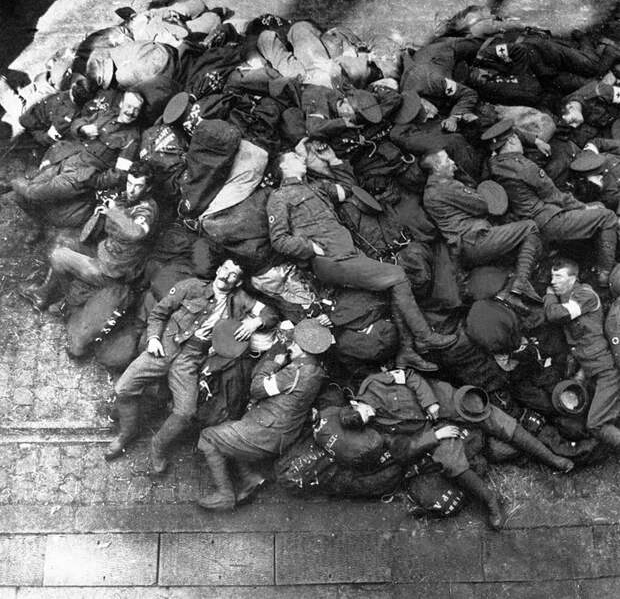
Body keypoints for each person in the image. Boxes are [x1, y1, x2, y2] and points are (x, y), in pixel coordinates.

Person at [266, 147, 457, 371]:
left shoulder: (316, 187)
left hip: (350, 253)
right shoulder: (279, 198)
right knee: (397, 275)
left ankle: (407, 351)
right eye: (294, 157)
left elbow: (347, 189)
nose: (300, 158)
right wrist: (310, 247)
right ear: (283, 166)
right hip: (330, 261)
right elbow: (279, 239)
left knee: (392, 288)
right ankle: (424, 336)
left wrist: (334, 161)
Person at [105, 258, 278, 472]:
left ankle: (158, 445)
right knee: (123, 387)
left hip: (191, 359)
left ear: (238, 282)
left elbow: (271, 314)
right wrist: (153, 339)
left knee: (186, 412)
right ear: (218, 269)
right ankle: (126, 434)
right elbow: (159, 313)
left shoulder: (241, 299)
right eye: (224, 269)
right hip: (165, 347)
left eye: (233, 274)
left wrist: (255, 322)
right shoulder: (191, 286)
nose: (225, 276)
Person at [344, 371, 573, 529]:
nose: (370, 415)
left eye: (366, 412)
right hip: (430, 429)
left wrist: (429, 402)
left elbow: (411, 376)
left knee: (486, 414)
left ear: (355, 403)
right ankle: (491, 502)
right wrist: (435, 436)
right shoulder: (375, 429)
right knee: (450, 461)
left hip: (438, 398)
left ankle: (552, 458)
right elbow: (403, 450)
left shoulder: (374, 383)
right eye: (366, 419)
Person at [196, 318, 331, 510]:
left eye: (294, 344)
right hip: (283, 431)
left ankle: (224, 495)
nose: (291, 346)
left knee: (208, 437)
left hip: (267, 434)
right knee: (228, 429)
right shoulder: (317, 368)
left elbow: (257, 388)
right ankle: (251, 478)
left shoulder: (295, 372)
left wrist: (273, 363)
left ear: (304, 349)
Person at [486, 119, 617, 285]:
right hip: (549, 221)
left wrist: (536, 141)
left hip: (528, 221)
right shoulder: (525, 167)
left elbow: (515, 133)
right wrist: (583, 207)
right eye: (517, 138)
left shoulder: (494, 164)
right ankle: (605, 275)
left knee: (595, 212)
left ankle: (587, 263)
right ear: (512, 140)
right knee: (607, 216)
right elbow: (554, 196)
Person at [19, 161, 160, 313]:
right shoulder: (126, 199)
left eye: (138, 186)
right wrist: (103, 211)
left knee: (57, 256)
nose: (131, 190)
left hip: (114, 271)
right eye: (129, 183)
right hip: (107, 253)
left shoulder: (147, 210)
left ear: (148, 188)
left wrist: (114, 212)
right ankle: (43, 293)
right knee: (63, 238)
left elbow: (137, 232)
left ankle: (68, 301)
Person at [10, 90, 145, 240]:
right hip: (66, 157)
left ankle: (10, 183)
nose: (131, 112)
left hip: (81, 174)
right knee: (23, 195)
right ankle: (37, 224)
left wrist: (94, 180)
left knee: (33, 192)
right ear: (121, 104)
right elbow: (77, 122)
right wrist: (82, 129)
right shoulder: (105, 115)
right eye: (129, 106)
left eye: (136, 109)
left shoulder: (132, 138)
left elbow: (120, 174)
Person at [421, 148, 543, 303]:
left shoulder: (430, 192)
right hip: (476, 239)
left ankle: (510, 291)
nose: (452, 163)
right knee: (530, 227)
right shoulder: (447, 187)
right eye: (447, 160)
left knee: (522, 246)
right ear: (437, 167)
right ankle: (521, 283)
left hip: (464, 247)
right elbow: (481, 205)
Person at [544, 258, 620, 449]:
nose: (553, 282)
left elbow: (556, 315)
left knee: (595, 424)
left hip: (607, 372)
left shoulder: (585, 295)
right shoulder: (568, 297)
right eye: (552, 277)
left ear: (572, 278)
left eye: (558, 276)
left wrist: (549, 297)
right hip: (594, 370)